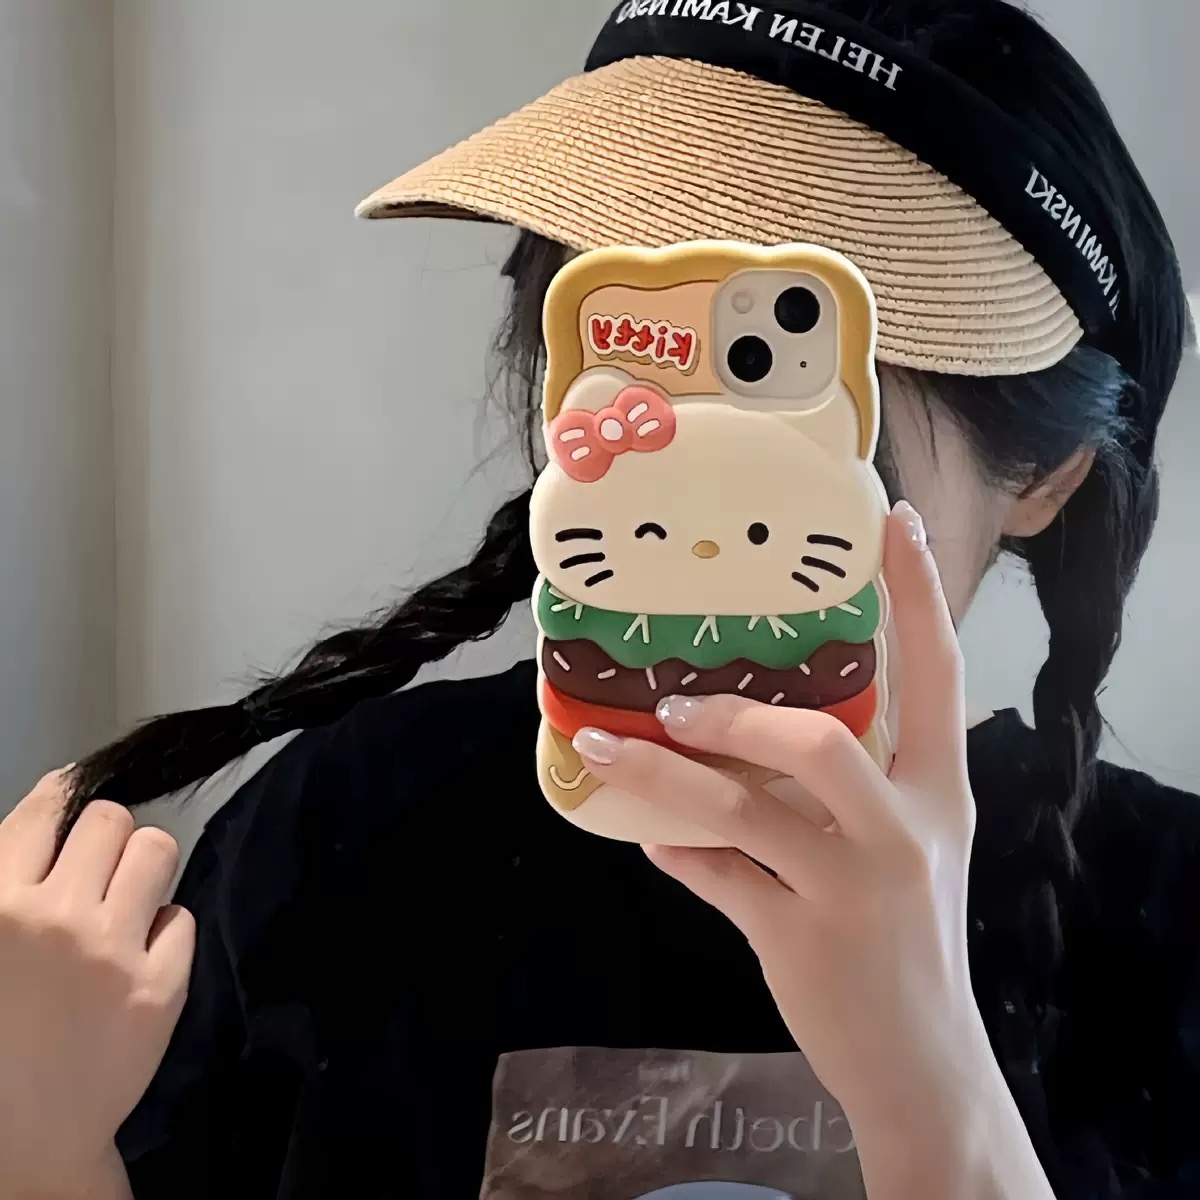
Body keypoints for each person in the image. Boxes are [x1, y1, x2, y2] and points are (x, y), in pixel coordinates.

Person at [0, 0, 1195, 1197]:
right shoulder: (350, 827)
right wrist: (41, 1145)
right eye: (640, 368)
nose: (698, 517)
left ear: (1044, 476)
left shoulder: (1169, 918)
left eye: (789, 429)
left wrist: (930, 1087)